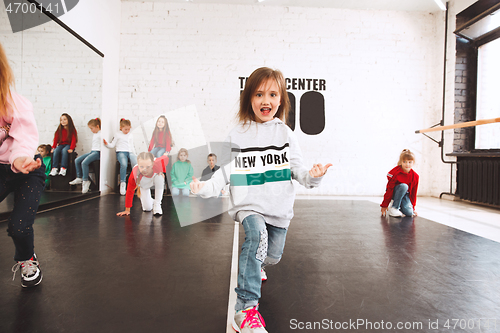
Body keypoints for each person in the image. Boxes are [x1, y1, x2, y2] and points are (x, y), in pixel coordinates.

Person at [190, 67, 331, 333]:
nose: (265, 100)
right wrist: (205, 188)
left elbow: (299, 172)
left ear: (281, 100)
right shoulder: (237, 134)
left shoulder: (286, 134)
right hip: (248, 204)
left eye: (272, 94)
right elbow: (225, 172)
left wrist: (314, 176)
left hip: (278, 208)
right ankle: (245, 311)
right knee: (256, 237)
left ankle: (258, 265)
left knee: (272, 256)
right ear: (249, 99)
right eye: (258, 94)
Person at [0, 42, 45, 287]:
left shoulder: (13, 103)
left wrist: (19, 159)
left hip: (28, 169)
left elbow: (25, 137)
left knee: (18, 226)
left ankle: (27, 258)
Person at [116, 152, 168, 216]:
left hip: (155, 178)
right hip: (144, 183)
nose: (144, 170)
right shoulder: (135, 173)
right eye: (142, 167)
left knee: (160, 177)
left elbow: (164, 158)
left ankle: (157, 205)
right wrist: (127, 209)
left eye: (148, 167)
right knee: (147, 208)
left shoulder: (157, 163)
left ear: (152, 164)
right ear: (138, 165)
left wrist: (162, 170)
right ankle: (152, 202)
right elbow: (130, 190)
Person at [380, 149, 419, 218]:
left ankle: (400, 204)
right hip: (394, 193)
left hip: (405, 194)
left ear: (413, 163)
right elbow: (389, 189)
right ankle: (394, 207)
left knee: (409, 213)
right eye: (404, 162)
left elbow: (413, 193)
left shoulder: (415, 176)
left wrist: (413, 208)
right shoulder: (395, 172)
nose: (407, 164)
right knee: (404, 186)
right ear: (400, 162)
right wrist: (385, 205)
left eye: (410, 162)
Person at [103, 118, 137, 195]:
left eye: (128, 129)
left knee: (136, 165)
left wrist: (134, 154)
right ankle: (123, 183)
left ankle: (132, 181)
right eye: (125, 129)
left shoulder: (130, 135)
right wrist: (107, 144)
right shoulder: (117, 134)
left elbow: (132, 146)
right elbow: (112, 145)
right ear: (121, 128)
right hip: (121, 152)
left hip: (130, 152)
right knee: (124, 164)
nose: (127, 131)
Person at [69, 118, 101, 193]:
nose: (91, 130)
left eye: (92, 128)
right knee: (77, 160)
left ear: (97, 126)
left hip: (97, 152)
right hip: (92, 151)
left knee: (84, 163)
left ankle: (85, 180)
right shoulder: (95, 134)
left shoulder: (101, 134)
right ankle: (79, 177)